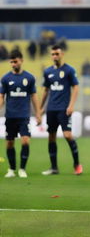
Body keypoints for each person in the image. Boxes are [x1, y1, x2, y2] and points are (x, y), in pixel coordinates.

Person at [40, 45, 83, 175]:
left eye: (57, 54)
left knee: (67, 135)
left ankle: (77, 164)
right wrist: (41, 108)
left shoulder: (69, 70)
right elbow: (46, 90)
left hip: (64, 109)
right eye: (53, 54)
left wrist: (71, 105)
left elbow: (76, 87)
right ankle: (54, 167)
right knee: (51, 137)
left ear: (62, 54)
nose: (55, 56)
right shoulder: (48, 72)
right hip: (51, 109)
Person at [0, 50, 41, 178]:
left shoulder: (29, 78)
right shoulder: (5, 78)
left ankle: (22, 169)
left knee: (25, 141)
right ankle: (12, 169)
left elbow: (34, 96)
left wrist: (38, 113)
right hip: (10, 116)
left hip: (24, 116)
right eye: (11, 62)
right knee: (9, 143)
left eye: (15, 61)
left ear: (21, 61)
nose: (13, 64)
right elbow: (1, 96)